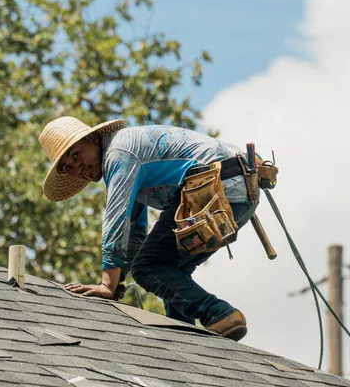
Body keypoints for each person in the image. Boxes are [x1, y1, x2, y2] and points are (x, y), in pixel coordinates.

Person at [38, 116, 260, 341]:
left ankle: (220, 314)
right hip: (238, 195)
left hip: (216, 188)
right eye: (68, 167)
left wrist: (107, 284)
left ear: (93, 138)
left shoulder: (118, 153)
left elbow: (117, 219)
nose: (77, 167)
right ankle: (187, 338)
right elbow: (134, 233)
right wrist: (119, 280)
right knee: (169, 271)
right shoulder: (129, 159)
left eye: (76, 155)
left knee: (147, 268)